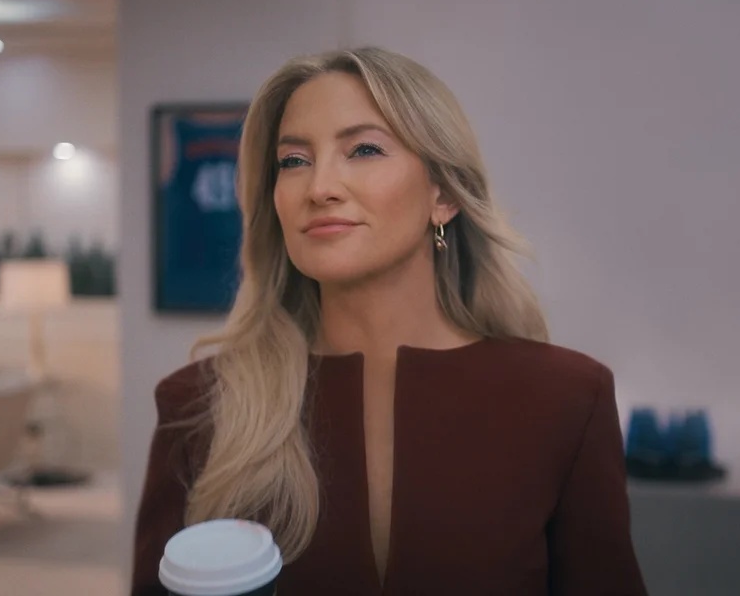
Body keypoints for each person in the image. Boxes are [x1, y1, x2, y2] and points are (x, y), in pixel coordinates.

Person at [132, 46, 646, 595]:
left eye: (364, 150)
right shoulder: (199, 407)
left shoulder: (567, 400)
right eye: (294, 161)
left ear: (443, 195)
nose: (319, 187)